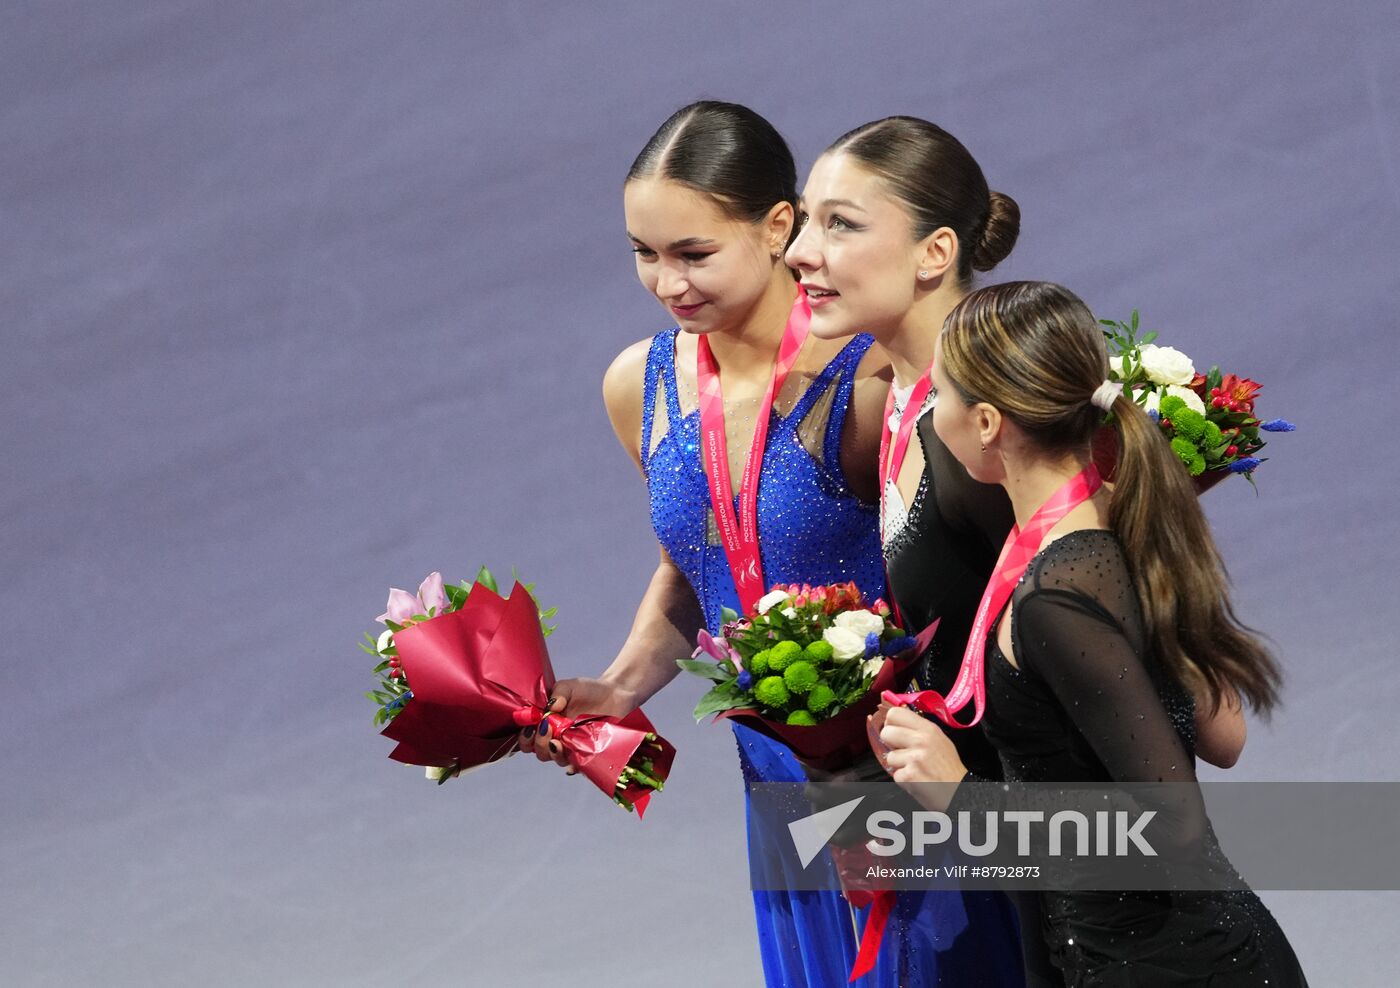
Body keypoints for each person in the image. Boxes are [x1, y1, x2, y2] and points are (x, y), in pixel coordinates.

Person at [519, 100, 957, 986]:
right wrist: (619, 685)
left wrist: (884, 771)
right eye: (645, 254)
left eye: (693, 253)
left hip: (904, 770)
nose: (667, 283)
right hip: (777, 779)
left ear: (778, 226)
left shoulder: (869, 377)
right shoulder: (635, 387)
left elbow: (951, 577)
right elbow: (699, 567)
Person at [873, 280, 1308, 985]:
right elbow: (1223, 737)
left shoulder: (1059, 597)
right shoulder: (1111, 527)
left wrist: (963, 796)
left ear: (985, 424)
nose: (931, 414)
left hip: (1170, 967)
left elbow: (1175, 830)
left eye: (939, 397)